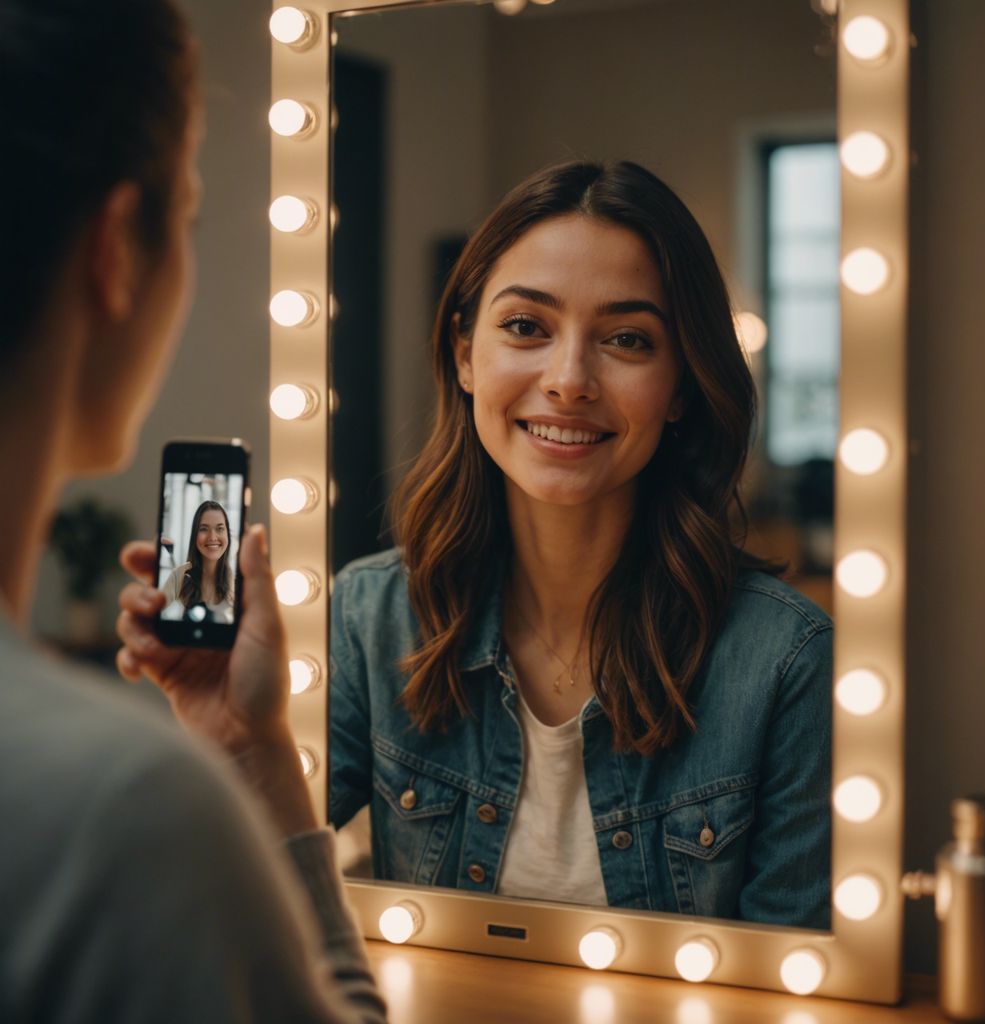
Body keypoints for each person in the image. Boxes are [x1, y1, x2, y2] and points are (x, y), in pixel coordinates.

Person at [0, 0, 386, 1020]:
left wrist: (249, 740)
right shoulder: (125, 814)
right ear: (117, 250)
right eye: (192, 214)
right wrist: (253, 767)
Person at [330, 160, 833, 929]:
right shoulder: (369, 615)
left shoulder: (784, 662)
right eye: (526, 327)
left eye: (628, 339)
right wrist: (229, 732)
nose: (568, 380)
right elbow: (240, 896)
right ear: (465, 353)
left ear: (681, 388)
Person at [161, 499, 236, 622]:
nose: (212, 537)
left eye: (220, 528)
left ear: (227, 534)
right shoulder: (178, 576)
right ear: (194, 535)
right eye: (204, 529)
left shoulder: (237, 583)